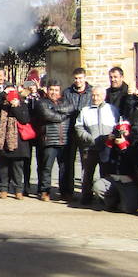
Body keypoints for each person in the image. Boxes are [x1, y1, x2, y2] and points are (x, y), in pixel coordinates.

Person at [74, 85, 119, 205]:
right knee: (87, 174)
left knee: (106, 174)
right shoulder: (85, 111)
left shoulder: (112, 109)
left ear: (104, 96)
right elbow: (78, 127)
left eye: (98, 95)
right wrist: (89, 139)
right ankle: (86, 197)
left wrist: (112, 137)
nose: (95, 97)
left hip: (106, 148)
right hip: (90, 148)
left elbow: (117, 126)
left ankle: (106, 198)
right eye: (93, 95)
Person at [33, 80, 73, 202]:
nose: (54, 92)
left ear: (60, 91)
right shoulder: (41, 103)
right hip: (49, 139)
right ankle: (44, 191)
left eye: (56, 90)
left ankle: (65, 191)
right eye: (51, 90)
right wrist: (63, 115)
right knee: (46, 168)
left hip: (64, 140)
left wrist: (56, 108)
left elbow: (71, 108)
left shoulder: (66, 101)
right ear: (47, 90)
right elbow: (48, 115)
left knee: (65, 168)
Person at [0, 88, 31, 199]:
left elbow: (24, 119)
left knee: (17, 167)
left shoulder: (22, 105)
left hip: (18, 141)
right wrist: (3, 93)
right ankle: (3, 188)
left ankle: (18, 190)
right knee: (3, 167)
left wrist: (16, 107)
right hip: (2, 140)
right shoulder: (2, 106)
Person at [93, 121, 138, 213]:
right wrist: (108, 143)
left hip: (128, 181)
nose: (121, 134)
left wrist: (124, 147)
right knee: (98, 186)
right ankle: (112, 203)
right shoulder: (112, 144)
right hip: (113, 179)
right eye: (118, 131)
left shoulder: (134, 143)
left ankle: (126, 201)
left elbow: (136, 162)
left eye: (124, 131)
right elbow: (104, 159)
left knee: (128, 209)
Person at [61, 67, 92, 199]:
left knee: (86, 163)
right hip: (70, 130)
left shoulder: (91, 92)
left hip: (85, 131)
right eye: (76, 78)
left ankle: (86, 192)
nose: (78, 81)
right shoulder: (67, 92)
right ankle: (68, 191)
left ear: (85, 78)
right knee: (68, 162)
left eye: (80, 78)